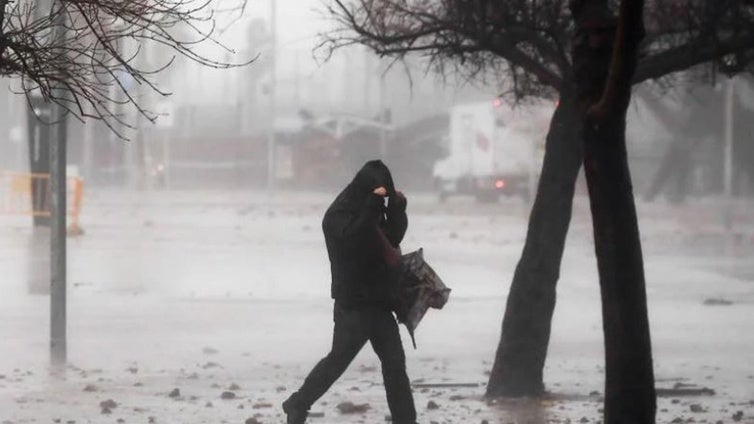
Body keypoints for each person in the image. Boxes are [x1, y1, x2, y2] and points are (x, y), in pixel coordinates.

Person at [282, 160, 417, 424]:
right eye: (378, 193)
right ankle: (298, 403)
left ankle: (407, 420)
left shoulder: (371, 208)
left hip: (379, 302)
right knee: (337, 361)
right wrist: (373, 207)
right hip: (353, 305)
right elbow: (353, 240)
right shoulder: (338, 214)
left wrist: (398, 210)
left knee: (395, 365)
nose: (380, 200)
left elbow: (392, 238)